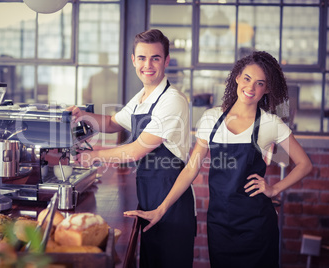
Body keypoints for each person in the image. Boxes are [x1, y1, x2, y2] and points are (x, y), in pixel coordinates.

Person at [124, 51, 313, 267]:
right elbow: (190, 170)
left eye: (260, 83)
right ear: (237, 78)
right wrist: (161, 209)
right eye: (247, 79)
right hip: (220, 224)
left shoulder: (270, 123)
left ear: (267, 89)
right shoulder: (212, 118)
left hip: (257, 226)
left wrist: (274, 189)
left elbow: (304, 164)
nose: (250, 88)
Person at [67, 29, 196, 268]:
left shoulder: (172, 100)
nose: (148, 64)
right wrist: (84, 115)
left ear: (166, 61)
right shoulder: (142, 97)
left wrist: (93, 156)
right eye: (142, 58)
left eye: (155, 58)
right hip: (149, 197)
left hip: (171, 202)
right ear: (133, 60)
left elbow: (136, 150)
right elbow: (113, 123)